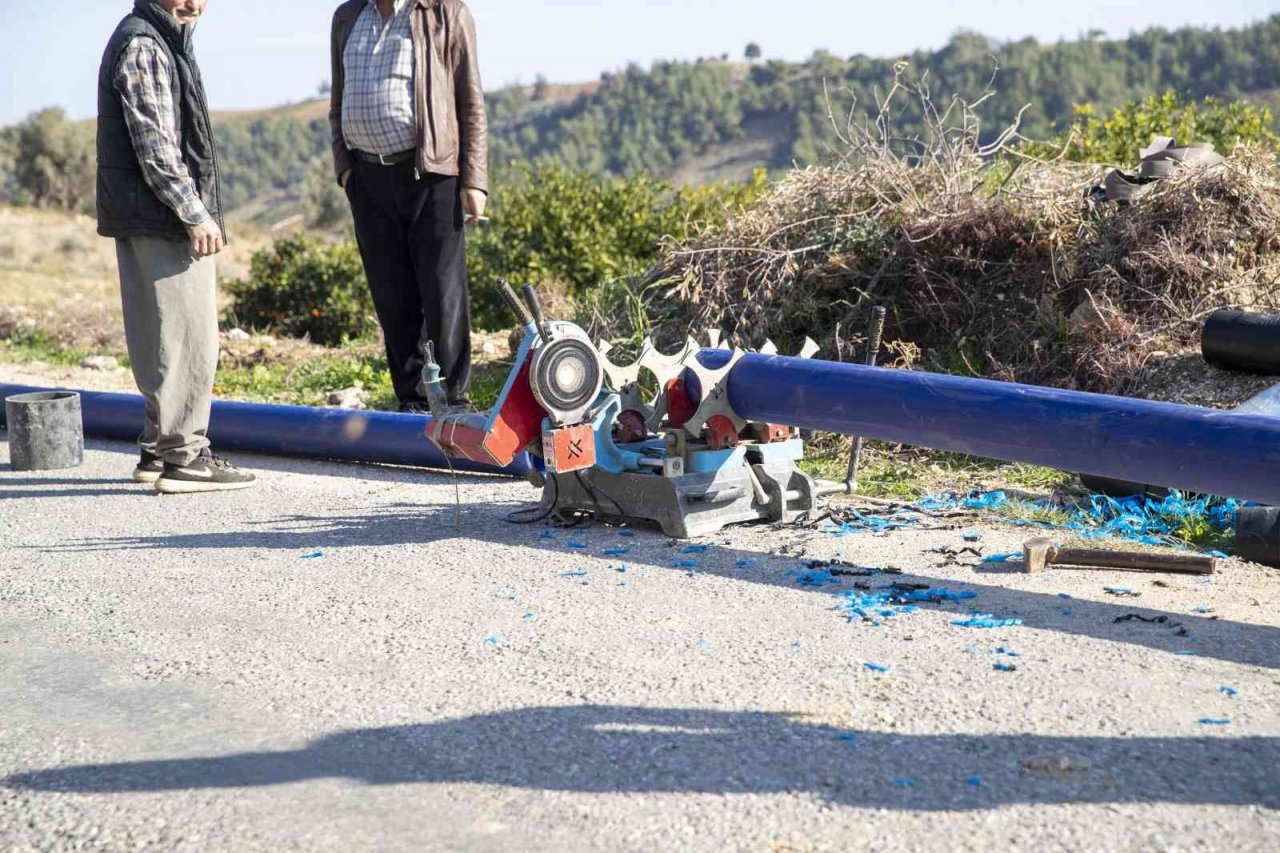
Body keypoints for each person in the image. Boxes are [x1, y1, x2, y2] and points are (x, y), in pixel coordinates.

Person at [97, 0, 256, 493]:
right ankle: (184, 457)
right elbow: (157, 145)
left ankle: (157, 447)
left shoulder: (156, 36)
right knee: (188, 340)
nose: (195, 4)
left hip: (147, 214)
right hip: (164, 218)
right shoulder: (146, 43)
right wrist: (194, 212)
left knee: (160, 337)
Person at [329, 0, 489, 413]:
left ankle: (453, 401)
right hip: (367, 176)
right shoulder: (347, 16)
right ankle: (413, 401)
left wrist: (475, 179)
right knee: (391, 294)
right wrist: (344, 168)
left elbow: (470, 98)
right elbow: (337, 101)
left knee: (442, 293)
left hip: (432, 173)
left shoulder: (445, 12)